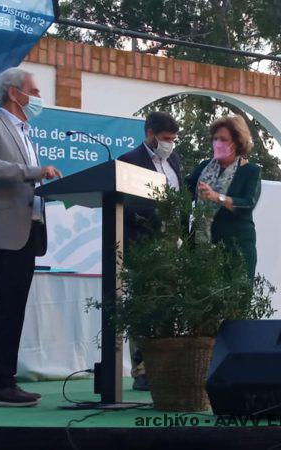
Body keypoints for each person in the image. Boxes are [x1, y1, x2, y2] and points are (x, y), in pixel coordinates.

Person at [0, 67, 62, 407]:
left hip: (28, 230)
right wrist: (34, 171)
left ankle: (4, 380)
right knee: (7, 309)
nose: (37, 98)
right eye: (34, 91)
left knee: (14, 308)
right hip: (3, 231)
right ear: (14, 94)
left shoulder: (26, 132)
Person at [117, 111, 181, 391]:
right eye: (166, 139)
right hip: (142, 243)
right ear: (150, 134)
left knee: (167, 305)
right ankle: (142, 369)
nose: (170, 144)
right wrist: (159, 213)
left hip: (171, 243)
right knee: (144, 307)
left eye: (174, 139)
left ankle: (165, 366)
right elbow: (126, 205)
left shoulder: (175, 161)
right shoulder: (129, 161)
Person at [187, 115, 261, 280]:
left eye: (224, 139)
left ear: (237, 142)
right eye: (215, 139)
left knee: (235, 300)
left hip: (236, 248)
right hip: (202, 245)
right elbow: (183, 195)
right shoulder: (203, 168)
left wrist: (217, 197)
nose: (218, 143)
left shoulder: (250, 171)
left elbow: (248, 204)